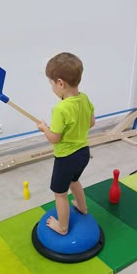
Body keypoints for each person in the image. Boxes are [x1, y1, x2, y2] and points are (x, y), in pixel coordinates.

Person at [37, 52, 95, 235]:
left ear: (60, 83)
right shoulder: (84, 98)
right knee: (74, 181)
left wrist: (44, 128)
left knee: (60, 194)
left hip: (66, 158)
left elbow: (54, 138)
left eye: (51, 82)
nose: (51, 86)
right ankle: (82, 207)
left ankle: (62, 227)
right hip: (83, 153)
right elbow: (91, 123)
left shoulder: (60, 108)